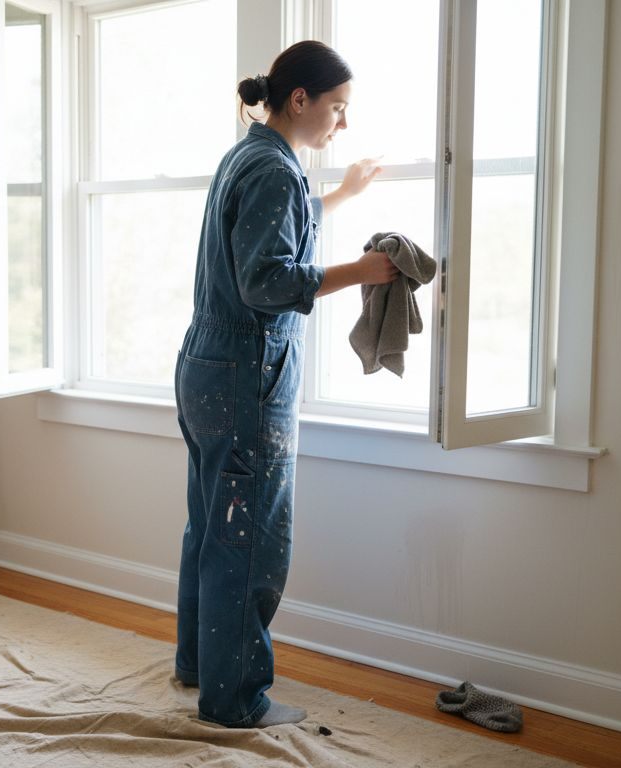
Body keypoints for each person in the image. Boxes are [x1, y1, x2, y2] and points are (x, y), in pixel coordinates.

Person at [173, 40, 397, 728]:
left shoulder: (251, 156)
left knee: (214, 524)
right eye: (338, 108)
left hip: (208, 366)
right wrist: (361, 273)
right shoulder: (274, 171)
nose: (343, 124)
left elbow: (270, 234)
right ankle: (235, 700)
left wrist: (339, 196)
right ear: (300, 100)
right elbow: (265, 280)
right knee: (251, 538)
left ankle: (198, 666)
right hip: (246, 374)